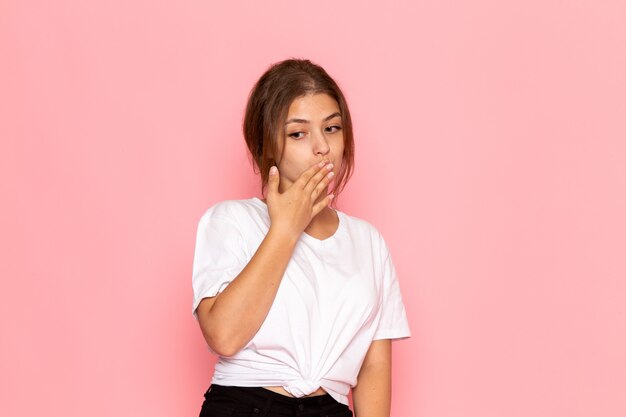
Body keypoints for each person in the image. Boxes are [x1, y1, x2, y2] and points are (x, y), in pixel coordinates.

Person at [192, 58, 411, 417]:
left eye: (332, 128)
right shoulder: (232, 220)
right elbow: (223, 335)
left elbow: (373, 365)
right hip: (246, 405)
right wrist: (285, 228)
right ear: (268, 146)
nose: (321, 147)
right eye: (298, 133)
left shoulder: (368, 242)